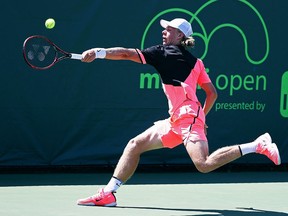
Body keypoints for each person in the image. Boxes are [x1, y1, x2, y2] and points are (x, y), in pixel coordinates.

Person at [77, 18, 281, 207]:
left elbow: (127, 53)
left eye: (169, 29)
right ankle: (108, 193)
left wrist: (99, 52)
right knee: (135, 145)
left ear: (180, 36)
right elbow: (212, 94)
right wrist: (202, 118)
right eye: (165, 29)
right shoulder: (197, 62)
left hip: (187, 117)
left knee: (203, 164)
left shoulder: (163, 52)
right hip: (179, 118)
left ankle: (257, 145)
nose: (164, 32)